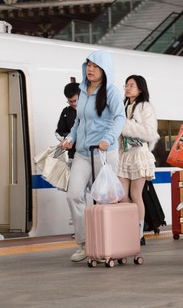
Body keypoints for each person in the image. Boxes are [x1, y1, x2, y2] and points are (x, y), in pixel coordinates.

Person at [60, 50, 126, 262]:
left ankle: (108, 245)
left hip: (104, 152)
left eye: (95, 65)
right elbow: (79, 122)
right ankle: (85, 244)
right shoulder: (83, 91)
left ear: (104, 69)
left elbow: (119, 117)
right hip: (82, 152)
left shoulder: (112, 92)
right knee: (74, 195)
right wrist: (70, 137)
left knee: (104, 200)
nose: (90, 68)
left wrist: (108, 138)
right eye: (88, 64)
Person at [119, 75, 160, 245]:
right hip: (123, 155)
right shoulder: (122, 106)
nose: (127, 88)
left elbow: (150, 132)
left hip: (139, 155)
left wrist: (125, 126)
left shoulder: (145, 107)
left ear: (140, 89)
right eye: (126, 85)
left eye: (131, 85)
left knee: (136, 194)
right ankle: (129, 227)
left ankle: (139, 232)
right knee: (121, 196)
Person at [55, 82, 80, 162]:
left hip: (91, 154)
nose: (73, 104)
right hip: (73, 155)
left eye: (75, 101)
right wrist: (66, 139)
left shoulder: (89, 110)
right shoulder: (66, 112)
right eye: (70, 101)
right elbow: (59, 132)